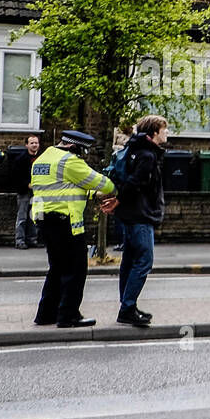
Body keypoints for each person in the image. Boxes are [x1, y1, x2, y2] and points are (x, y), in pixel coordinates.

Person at [30, 130, 118, 328]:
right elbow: (102, 182)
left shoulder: (43, 158)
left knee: (57, 268)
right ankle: (69, 315)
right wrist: (115, 190)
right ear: (73, 147)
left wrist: (89, 194)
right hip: (65, 222)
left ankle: (46, 314)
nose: (82, 157)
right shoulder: (69, 161)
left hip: (44, 220)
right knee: (76, 269)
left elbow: (64, 188)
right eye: (82, 152)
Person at [114, 115, 168, 328]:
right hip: (140, 215)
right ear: (154, 132)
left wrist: (118, 202)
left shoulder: (134, 150)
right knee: (144, 261)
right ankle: (127, 308)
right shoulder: (147, 155)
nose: (167, 133)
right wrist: (118, 200)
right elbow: (135, 183)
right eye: (164, 130)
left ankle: (127, 305)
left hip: (129, 215)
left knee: (129, 260)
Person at [11, 134, 42, 249]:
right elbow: (15, 176)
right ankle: (20, 241)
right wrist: (27, 184)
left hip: (38, 192)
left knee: (35, 217)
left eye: (36, 143)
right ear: (26, 145)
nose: (34, 145)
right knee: (22, 217)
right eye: (32, 143)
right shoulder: (20, 159)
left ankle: (32, 239)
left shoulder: (42, 159)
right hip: (24, 191)